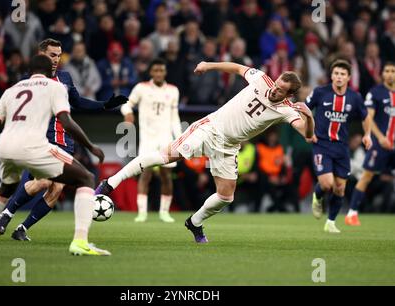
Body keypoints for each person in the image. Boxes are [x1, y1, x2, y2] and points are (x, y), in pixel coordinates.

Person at [95, 61, 314, 243]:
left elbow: (306, 133)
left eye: (280, 89)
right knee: (165, 157)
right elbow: (237, 68)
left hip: (229, 146)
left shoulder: (287, 109)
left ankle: (194, 222)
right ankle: (110, 183)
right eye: (276, 84)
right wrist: (208, 65)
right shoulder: (262, 79)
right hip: (210, 129)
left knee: (226, 196)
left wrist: (310, 117)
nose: (274, 89)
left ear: (289, 95)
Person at [0, 55, 110, 256]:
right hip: (34, 146)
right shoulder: (55, 87)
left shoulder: (11, 90)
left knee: (6, 189)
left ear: (29, 70)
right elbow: (66, 122)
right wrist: (90, 146)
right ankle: (80, 242)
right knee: (86, 178)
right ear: (50, 71)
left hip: (5, 147)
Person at [0, 38, 127, 241]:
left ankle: (21, 228)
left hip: (65, 144)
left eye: (58, 55)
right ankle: (6, 214)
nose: (56, 59)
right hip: (42, 141)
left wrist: (105, 105)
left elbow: (78, 102)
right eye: (51, 55)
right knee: (45, 181)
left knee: (56, 188)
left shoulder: (65, 78)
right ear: (41, 56)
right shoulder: (30, 81)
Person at [307, 59, 373, 233]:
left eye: (342, 74)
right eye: (336, 73)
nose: (339, 77)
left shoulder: (355, 97)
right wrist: (307, 132)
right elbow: (304, 110)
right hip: (321, 144)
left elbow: (365, 117)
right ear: (331, 75)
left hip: (342, 147)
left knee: (340, 187)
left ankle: (330, 222)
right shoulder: (320, 92)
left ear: (348, 77)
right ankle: (317, 196)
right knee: (327, 184)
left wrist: (367, 135)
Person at [120, 58, 182, 223]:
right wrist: (127, 113)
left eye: (161, 70)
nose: (159, 73)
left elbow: (174, 117)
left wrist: (181, 138)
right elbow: (126, 103)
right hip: (148, 139)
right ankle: (142, 213)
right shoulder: (141, 88)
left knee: (166, 176)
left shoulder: (173, 90)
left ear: (165, 72)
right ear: (151, 72)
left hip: (166, 138)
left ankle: (164, 212)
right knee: (145, 174)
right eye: (156, 70)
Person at [345, 62, 395, 226]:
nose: (389, 74)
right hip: (380, 145)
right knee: (367, 176)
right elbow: (369, 118)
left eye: (393, 71)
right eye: (386, 70)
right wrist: (380, 138)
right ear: (382, 74)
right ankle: (352, 213)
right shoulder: (376, 93)